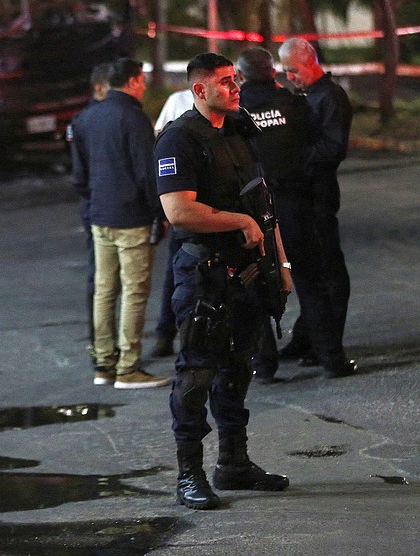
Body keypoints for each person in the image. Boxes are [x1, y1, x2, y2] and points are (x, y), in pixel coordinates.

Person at [155, 52, 291, 510]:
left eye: (236, 79)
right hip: (204, 274)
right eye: (226, 82)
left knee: (238, 368)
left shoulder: (238, 129)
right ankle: (189, 475)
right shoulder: (179, 139)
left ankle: (233, 463)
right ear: (200, 90)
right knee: (196, 374)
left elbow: (264, 205)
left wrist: (282, 264)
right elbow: (178, 211)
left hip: (251, 270)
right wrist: (238, 222)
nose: (236, 88)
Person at [237, 47, 354, 380]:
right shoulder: (294, 105)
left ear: (241, 76)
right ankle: (331, 358)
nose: (291, 76)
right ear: (272, 72)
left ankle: (264, 363)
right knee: (310, 281)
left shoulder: (235, 111)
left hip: (256, 208)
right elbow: (304, 145)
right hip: (295, 204)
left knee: (257, 283)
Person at [70, 57, 169, 390]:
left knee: (104, 291)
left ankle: (103, 364)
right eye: (141, 80)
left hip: (100, 215)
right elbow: (147, 173)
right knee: (134, 291)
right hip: (131, 217)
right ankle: (129, 367)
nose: (143, 86)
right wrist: (161, 212)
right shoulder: (134, 118)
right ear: (133, 81)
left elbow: (79, 176)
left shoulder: (85, 118)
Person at [276, 37, 355, 375]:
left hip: (320, 196)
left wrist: (295, 161)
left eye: (293, 70)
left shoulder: (330, 98)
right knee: (310, 272)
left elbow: (333, 148)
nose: (290, 77)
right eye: (285, 72)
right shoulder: (304, 97)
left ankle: (325, 341)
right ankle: (309, 338)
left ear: (310, 60)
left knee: (329, 274)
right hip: (301, 198)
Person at [67, 63, 112, 362]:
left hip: (94, 205)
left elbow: (78, 176)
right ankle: (103, 344)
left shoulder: (81, 120)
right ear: (99, 88)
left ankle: (101, 344)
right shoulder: (94, 120)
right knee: (104, 280)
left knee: (101, 279)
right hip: (103, 207)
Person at [151, 87, 197, 358]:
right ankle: (165, 333)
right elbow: (160, 142)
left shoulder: (233, 104)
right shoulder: (178, 101)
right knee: (176, 272)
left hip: (207, 204)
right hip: (184, 202)